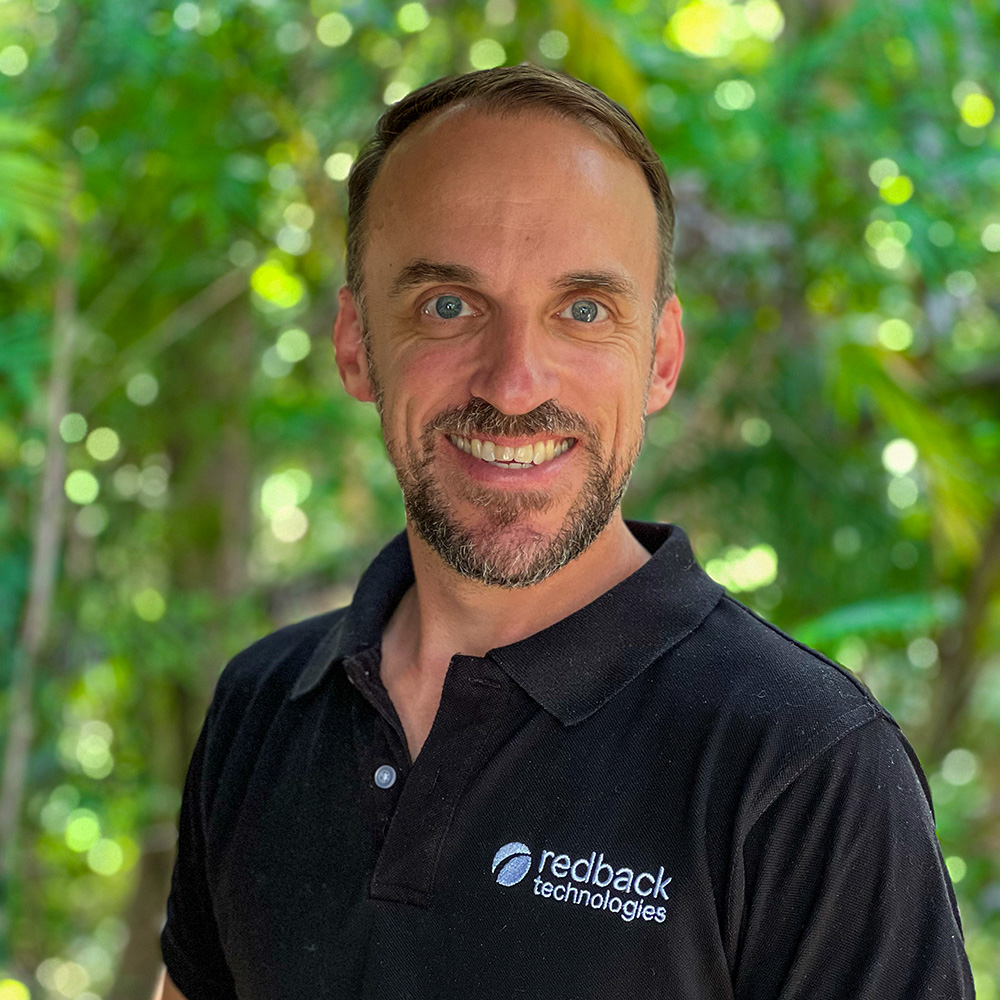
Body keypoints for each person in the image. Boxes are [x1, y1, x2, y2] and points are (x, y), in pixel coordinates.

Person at [155, 64, 975, 999]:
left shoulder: (804, 766)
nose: (515, 383)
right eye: (448, 306)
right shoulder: (262, 705)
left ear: (660, 357)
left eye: (583, 311)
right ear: (355, 343)